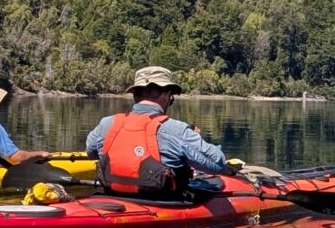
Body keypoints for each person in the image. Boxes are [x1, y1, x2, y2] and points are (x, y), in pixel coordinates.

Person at [84, 65, 278, 198]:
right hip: (161, 204)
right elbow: (217, 161)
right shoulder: (177, 130)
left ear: (135, 95)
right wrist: (194, 141)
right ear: (168, 95)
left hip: (113, 197)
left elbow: (91, 151)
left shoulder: (106, 124)